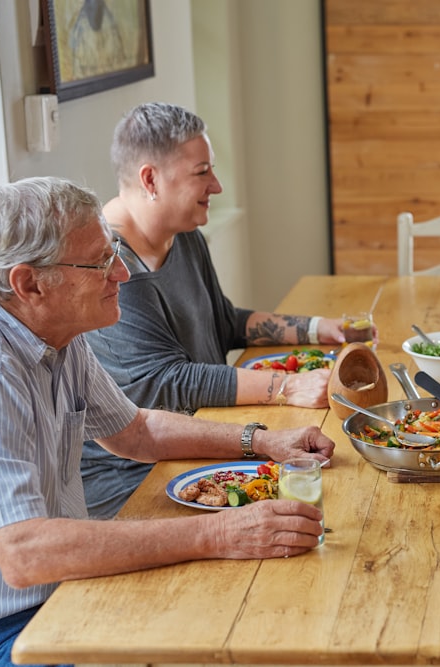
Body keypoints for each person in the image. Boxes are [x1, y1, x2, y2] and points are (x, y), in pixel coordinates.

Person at [0, 177, 335, 667]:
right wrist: (220, 534)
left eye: (113, 253)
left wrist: (263, 441)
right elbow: (26, 554)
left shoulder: (55, 332)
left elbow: (135, 432)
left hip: (58, 592)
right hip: (0, 631)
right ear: (29, 283)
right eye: (99, 261)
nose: (121, 272)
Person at [82, 102, 360, 518]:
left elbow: (223, 322)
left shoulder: (184, 234)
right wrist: (286, 387)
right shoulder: (113, 268)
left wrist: (319, 327)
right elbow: (166, 382)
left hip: (207, 441)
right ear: (150, 179)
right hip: (136, 478)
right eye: (202, 173)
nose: (217, 186)